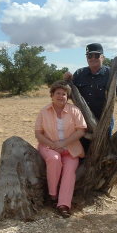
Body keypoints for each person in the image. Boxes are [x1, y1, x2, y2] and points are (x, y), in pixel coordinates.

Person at [64, 43, 117, 149]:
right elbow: (67, 92)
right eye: (89, 56)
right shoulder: (79, 74)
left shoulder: (110, 73)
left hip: (104, 122)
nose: (93, 58)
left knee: (101, 152)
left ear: (103, 57)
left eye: (96, 55)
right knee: (82, 152)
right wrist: (66, 80)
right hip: (81, 122)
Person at [35, 80, 87, 218]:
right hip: (48, 146)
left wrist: (63, 143)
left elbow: (81, 130)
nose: (61, 96)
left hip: (71, 148)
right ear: (52, 95)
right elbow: (38, 133)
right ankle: (53, 195)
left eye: (64, 94)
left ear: (67, 96)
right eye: (57, 93)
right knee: (54, 158)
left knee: (70, 170)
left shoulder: (74, 110)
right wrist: (54, 145)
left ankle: (63, 205)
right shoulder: (44, 111)